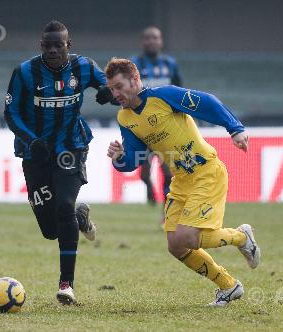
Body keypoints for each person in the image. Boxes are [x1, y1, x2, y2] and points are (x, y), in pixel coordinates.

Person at [105, 58, 261, 307]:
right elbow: (134, 158)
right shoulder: (125, 118)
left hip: (206, 171)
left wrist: (235, 128)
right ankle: (229, 286)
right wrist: (118, 159)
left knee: (188, 237)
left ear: (135, 80)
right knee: (176, 245)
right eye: (112, 89)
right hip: (181, 181)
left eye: (119, 86)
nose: (116, 93)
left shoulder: (164, 96)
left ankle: (241, 238)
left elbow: (206, 102)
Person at [4, 20, 117, 305]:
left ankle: (66, 284)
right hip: (35, 154)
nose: (53, 50)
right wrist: (32, 141)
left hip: (71, 147)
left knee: (63, 206)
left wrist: (107, 92)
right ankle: (80, 215)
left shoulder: (84, 67)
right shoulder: (25, 72)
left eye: (59, 45)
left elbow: (109, 86)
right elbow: (11, 113)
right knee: (50, 230)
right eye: (48, 46)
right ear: (41, 46)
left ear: (69, 45)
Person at [131, 26, 182, 208]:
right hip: (142, 128)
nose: (151, 41)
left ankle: (167, 211)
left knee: (168, 173)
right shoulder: (134, 64)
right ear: (142, 42)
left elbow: (178, 91)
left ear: (161, 41)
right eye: (147, 38)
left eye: (155, 38)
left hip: (165, 127)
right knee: (144, 173)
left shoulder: (170, 64)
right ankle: (149, 186)